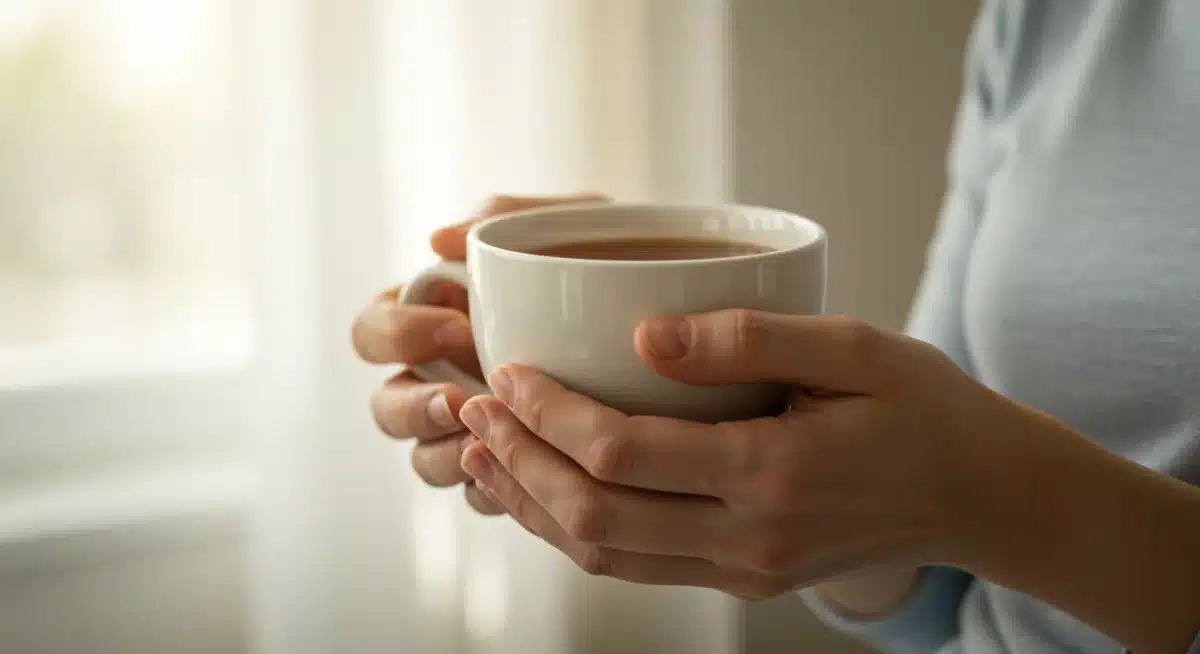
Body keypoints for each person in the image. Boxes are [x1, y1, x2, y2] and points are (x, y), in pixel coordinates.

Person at [351, 2, 1200, 652]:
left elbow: (969, 496)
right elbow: (934, 596)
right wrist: (569, 333)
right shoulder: (1046, 20)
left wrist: (1003, 500)